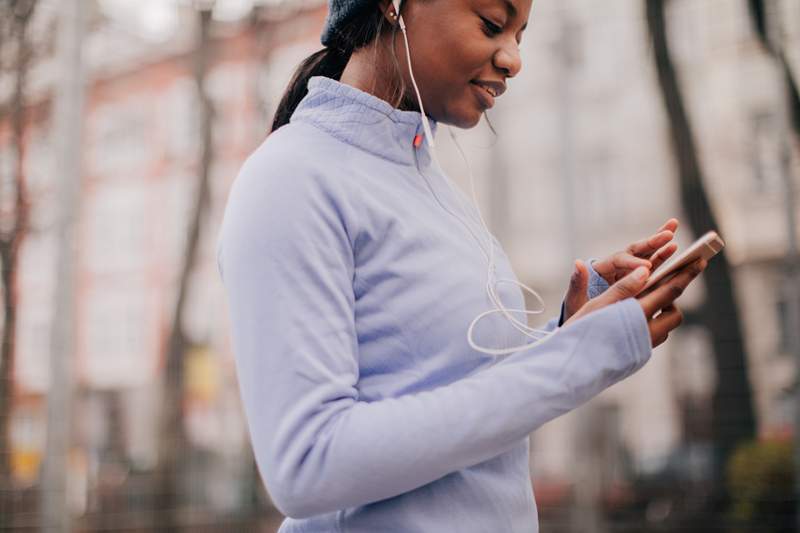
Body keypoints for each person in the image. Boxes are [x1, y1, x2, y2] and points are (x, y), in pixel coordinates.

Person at [215, 0, 708, 530]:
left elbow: (445, 390)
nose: (514, 59)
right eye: (493, 25)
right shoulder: (291, 177)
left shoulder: (433, 184)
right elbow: (307, 465)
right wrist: (571, 362)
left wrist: (566, 332)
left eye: (520, 34)